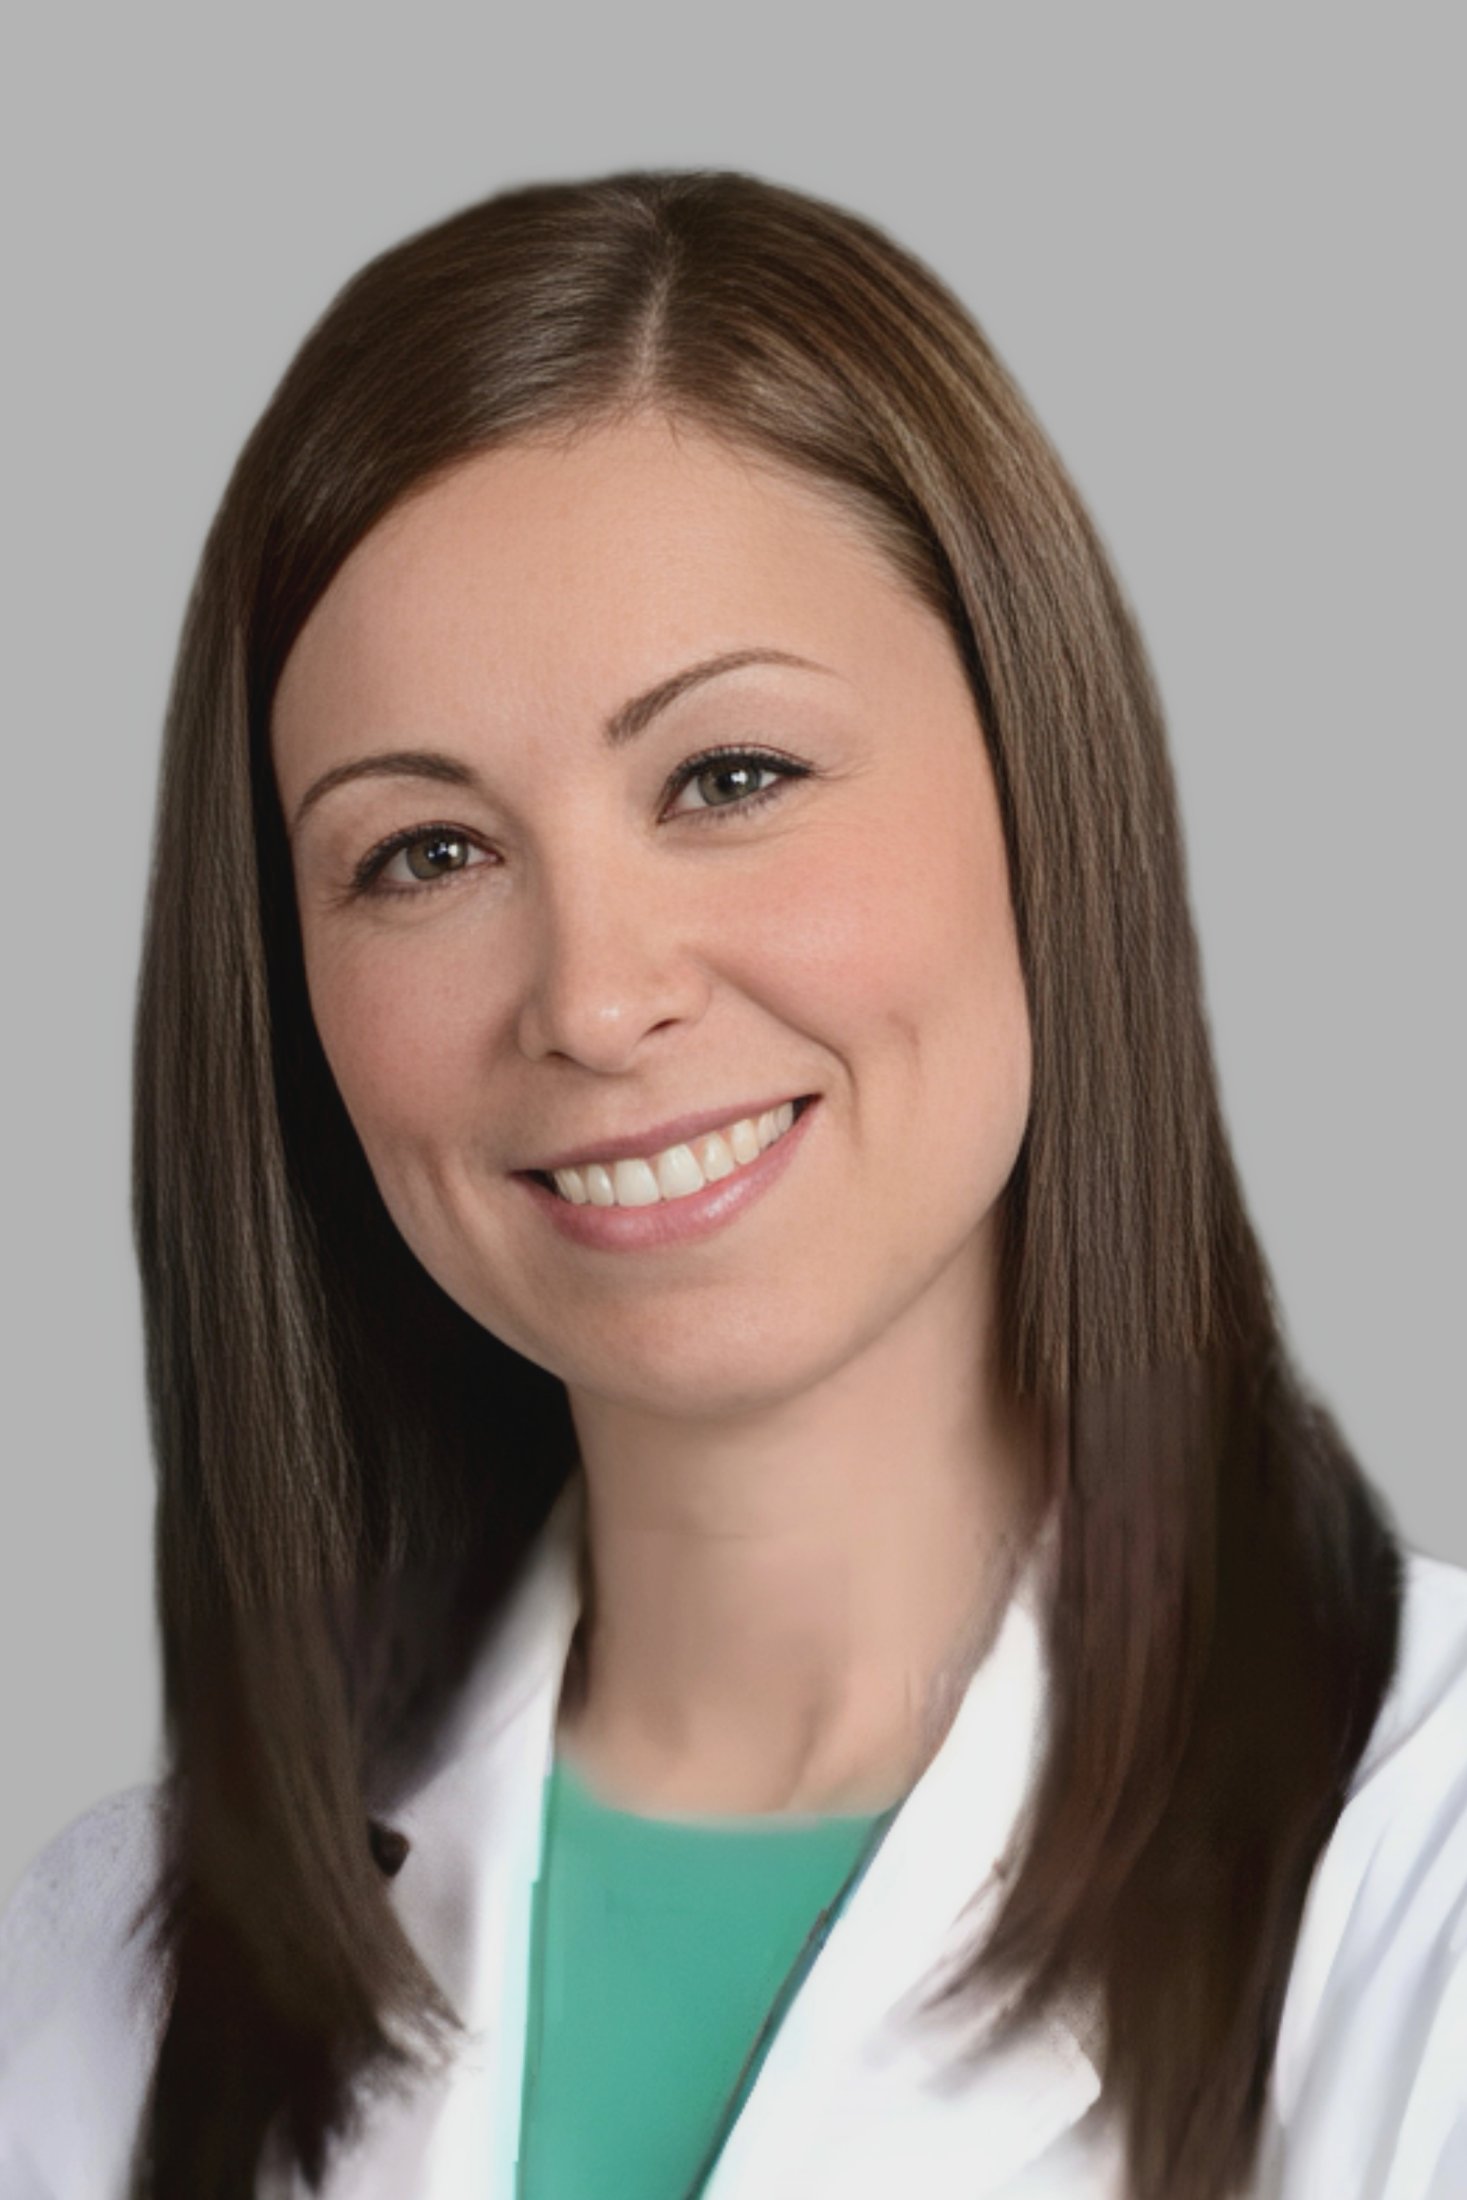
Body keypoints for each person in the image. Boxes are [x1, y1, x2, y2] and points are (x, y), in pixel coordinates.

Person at [1, 168, 1463, 2200]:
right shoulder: (89, 1988)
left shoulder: (1424, 1874)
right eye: (424, 853)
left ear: (1048, 786)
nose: (594, 1000)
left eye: (730, 776)